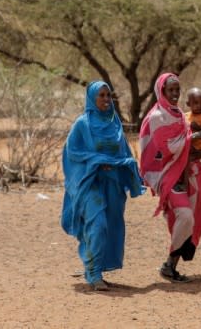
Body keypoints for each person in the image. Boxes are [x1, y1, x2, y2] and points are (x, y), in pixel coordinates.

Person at [61, 81, 143, 292]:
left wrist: (127, 166)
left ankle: (95, 268)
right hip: (90, 183)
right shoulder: (82, 124)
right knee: (98, 224)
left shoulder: (114, 122)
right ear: (92, 99)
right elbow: (72, 153)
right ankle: (94, 273)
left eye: (108, 95)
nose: (106, 99)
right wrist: (97, 160)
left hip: (112, 183)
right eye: (102, 96)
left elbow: (123, 151)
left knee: (110, 225)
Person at [139, 73, 201, 283]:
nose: (175, 94)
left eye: (177, 89)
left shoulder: (178, 113)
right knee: (185, 216)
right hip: (165, 175)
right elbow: (168, 147)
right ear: (162, 91)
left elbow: (182, 144)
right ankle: (169, 264)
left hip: (184, 172)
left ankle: (171, 266)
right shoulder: (157, 117)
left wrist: (195, 151)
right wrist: (193, 139)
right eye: (170, 90)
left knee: (192, 216)